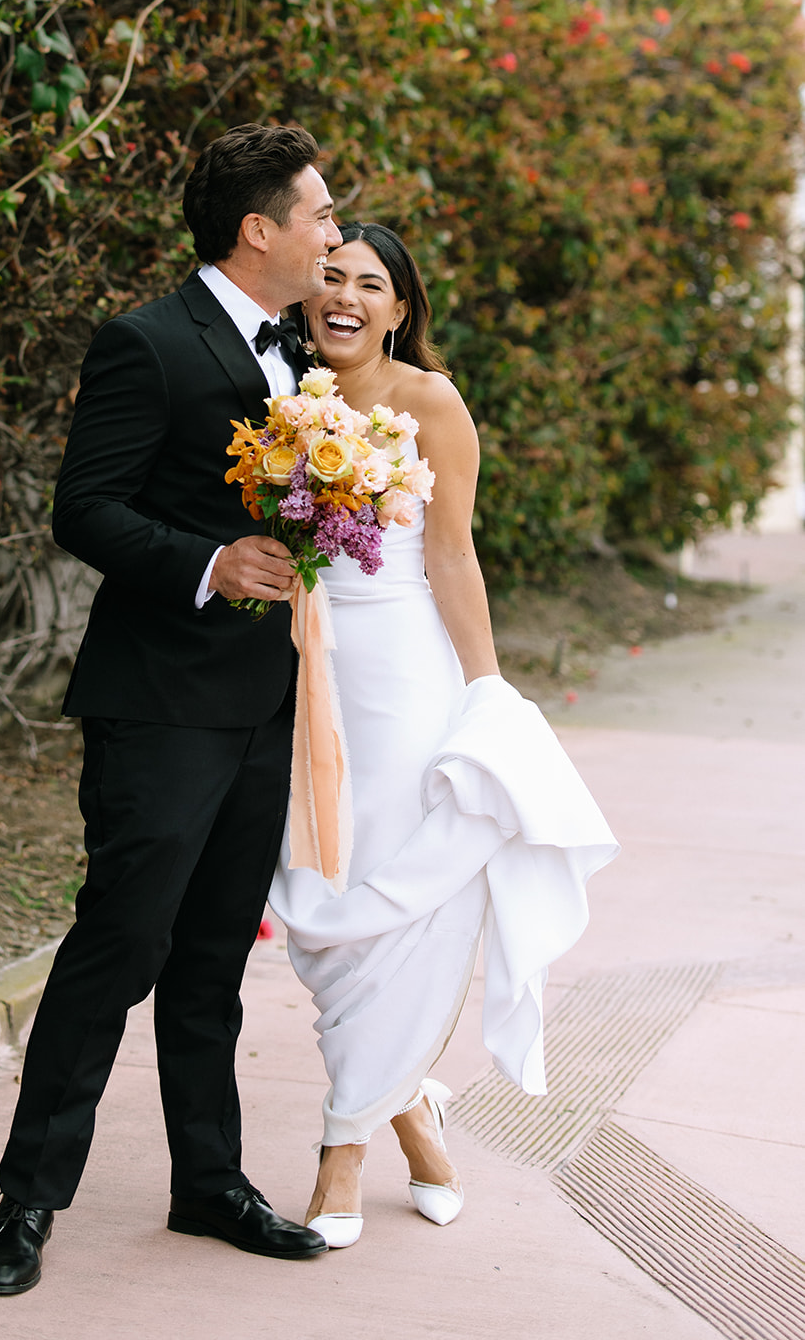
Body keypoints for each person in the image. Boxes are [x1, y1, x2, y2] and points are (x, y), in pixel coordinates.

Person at [0, 124, 342, 1296]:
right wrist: (207, 561)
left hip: (264, 703)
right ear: (258, 228)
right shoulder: (145, 341)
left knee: (214, 959)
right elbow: (84, 509)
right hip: (159, 700)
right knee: (117, 946)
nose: (333, 234)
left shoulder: (308, 359)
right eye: (320, 215)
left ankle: (208, 1182)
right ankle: (27, 1198)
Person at [270, 223, 618, 1248]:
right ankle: (412, 1109)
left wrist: (486, 693)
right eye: (328, 276)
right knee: (324, 909)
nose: (343, 295)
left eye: (367, 283)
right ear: (303, 293)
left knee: (411, 904)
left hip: (409, 678)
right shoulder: (277, 398)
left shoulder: (431, 402)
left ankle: (341, 1146)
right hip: (306, 671)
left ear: (398, 307)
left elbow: (453, 558)